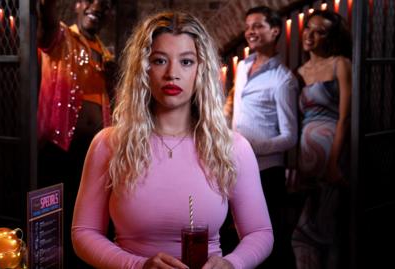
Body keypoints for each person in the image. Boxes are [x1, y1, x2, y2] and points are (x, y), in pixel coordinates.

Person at [72, 11, 273, 269]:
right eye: (159, 61)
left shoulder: (232, 147)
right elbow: (83, 233)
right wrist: (137, 266)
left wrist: (232, 264)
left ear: (201, 69)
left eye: (186, 62)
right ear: (143, 69)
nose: (172, 74)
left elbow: (260, 232)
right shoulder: (109, 144)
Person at [36, 0, 115, 267]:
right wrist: (46, 7)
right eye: (90, 0)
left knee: (86, 220)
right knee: (54, 220)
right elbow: (46, 24)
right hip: (60, 148)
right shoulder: (61, 37)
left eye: (104, 3)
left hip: (94, 155)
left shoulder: (105, 53)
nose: (97, 6)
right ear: (77, 5)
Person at [226, 6, 298, 269]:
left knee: (267, 240)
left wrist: (254, 146)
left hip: (267, 171)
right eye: (248, 27)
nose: (250, 32)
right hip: (235, 165)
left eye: (257, 26)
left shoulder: (284, 79)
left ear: (275, 31)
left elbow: (290, 137)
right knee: (235, 234)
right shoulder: (243, 67)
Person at [291, 9, 352, 269]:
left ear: (331, 37)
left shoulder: (341, 63)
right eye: (308, 29)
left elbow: (345, 118)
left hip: (333, 158)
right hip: (307, 160)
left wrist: (333, 163)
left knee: (322, 232)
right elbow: (298, 122)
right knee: (319, 231)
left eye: (320, 32)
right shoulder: (300, 71)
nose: (311, 35)